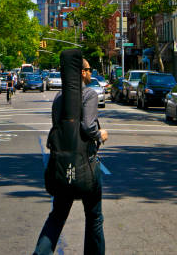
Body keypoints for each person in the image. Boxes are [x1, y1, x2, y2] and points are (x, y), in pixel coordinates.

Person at [33, 58, 108, 255]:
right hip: (86, 166)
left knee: (57, 216)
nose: (91, 73)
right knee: (94, 218)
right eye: (89, 69)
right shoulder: (89, 94)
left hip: (62, 166)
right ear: (82, 73)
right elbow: (88, 126)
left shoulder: (59, 97)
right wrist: (101, 134)